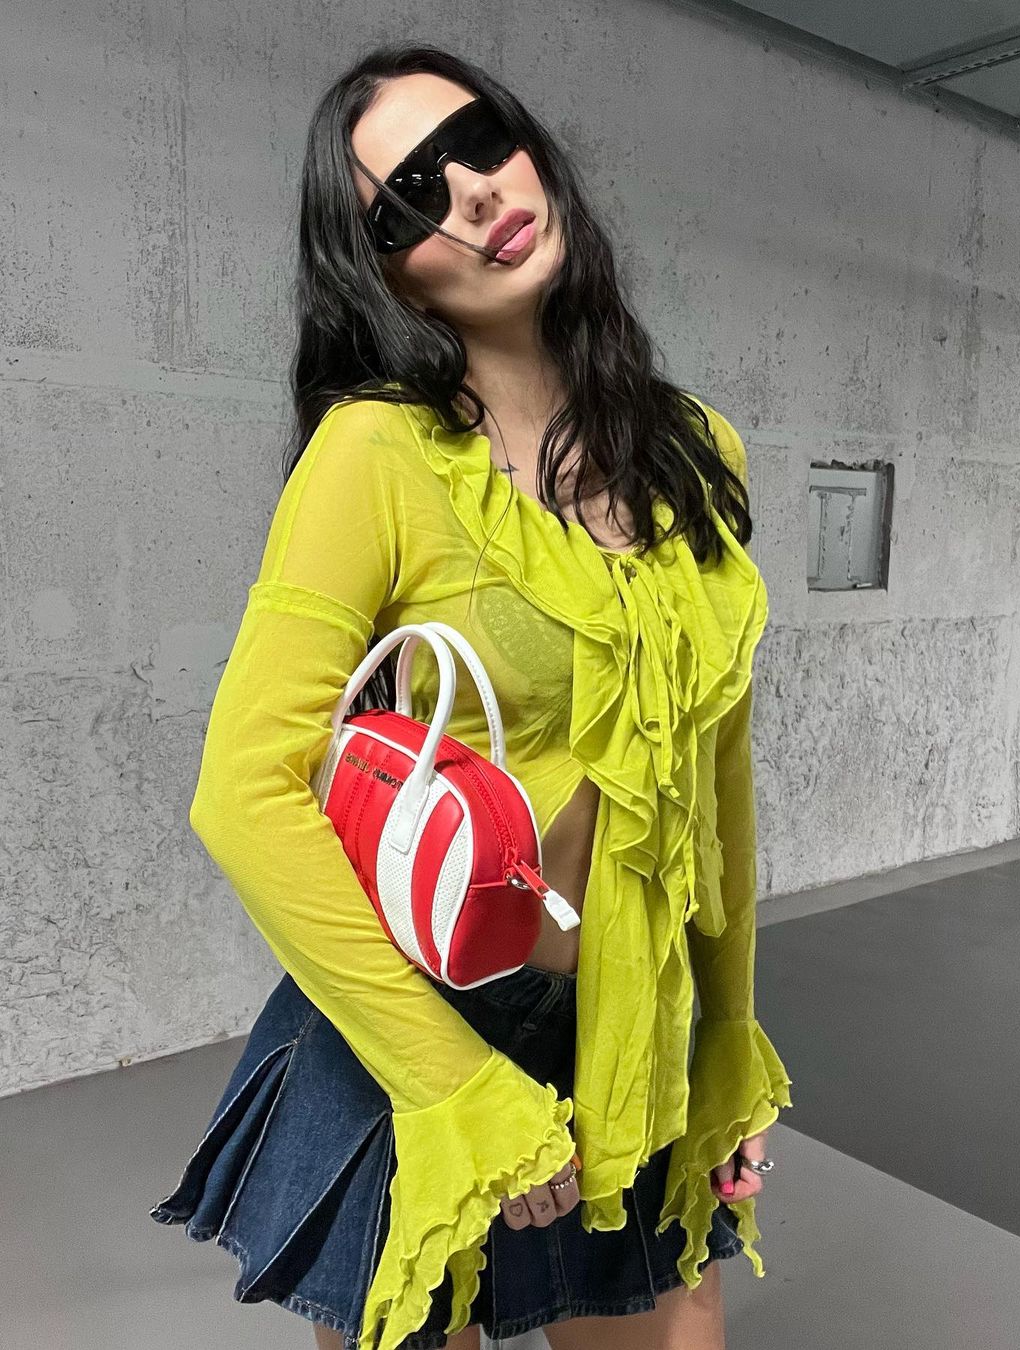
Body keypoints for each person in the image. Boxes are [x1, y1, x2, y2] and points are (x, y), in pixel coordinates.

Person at [149, 41, 793, 1350]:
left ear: (531, 149)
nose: (473, 194)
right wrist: (453, 1087)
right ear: (383, 267)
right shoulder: (377, 454)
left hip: (633, 1019)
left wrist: (727, 1031)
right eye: (409, 199)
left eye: (479, 143)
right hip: (429, 1019)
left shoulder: (695, 447)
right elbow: (244, 790)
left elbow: (714, 775)